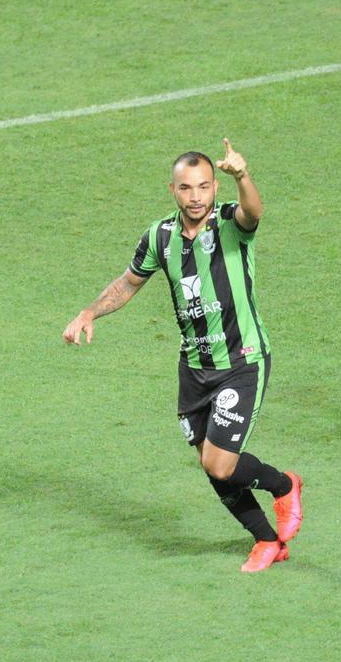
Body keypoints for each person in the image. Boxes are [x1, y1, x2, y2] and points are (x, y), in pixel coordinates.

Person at [63, 139, 303, 571]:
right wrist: (89, 311)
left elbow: (254, 212)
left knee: (220, 463)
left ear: (215, 188)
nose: (196, 197)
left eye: (204, 187)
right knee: (210, 465)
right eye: (187, 188)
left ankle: (284, 485)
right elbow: (128, 283)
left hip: (241, 361)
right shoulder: (160, 236)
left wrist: (242, 175)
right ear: (173, 190)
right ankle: (267, 541)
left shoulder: (229, 222)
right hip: (194, 368)